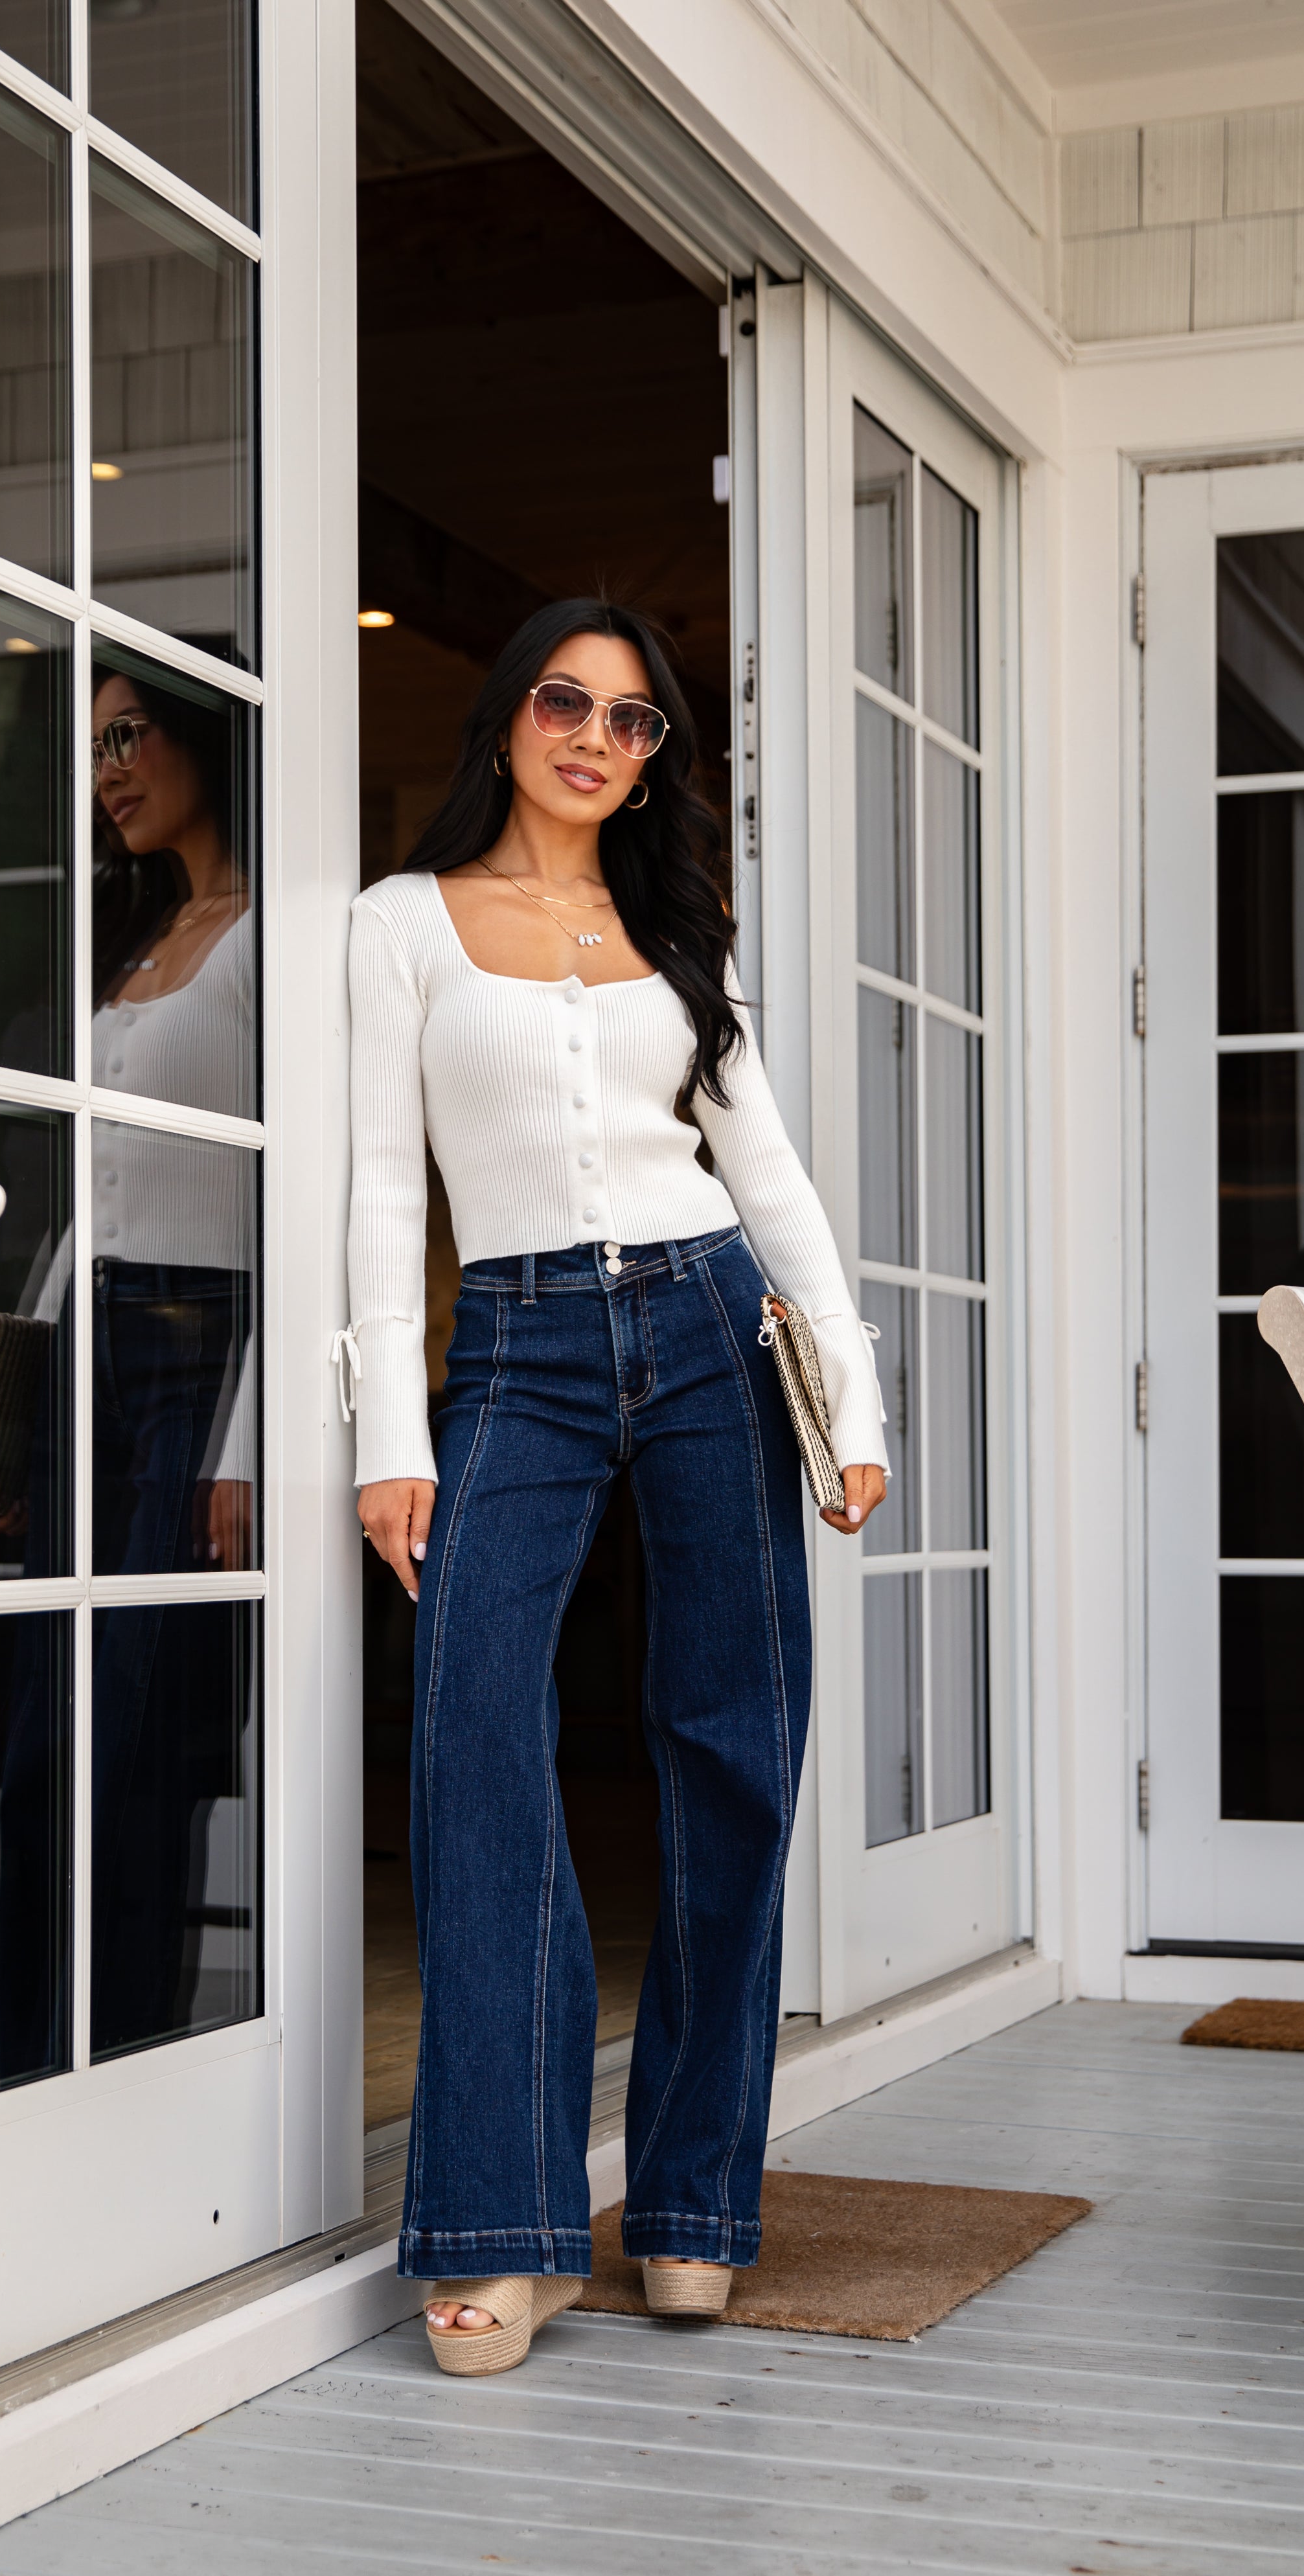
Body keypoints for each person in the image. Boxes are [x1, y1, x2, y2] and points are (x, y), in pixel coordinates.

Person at [345, 598, 888, 2375]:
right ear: (506, 715)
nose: (593, 737)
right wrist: (389, 1438)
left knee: (732, 1742)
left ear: (656, 759)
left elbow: (770, 1168)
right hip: (515, 1347)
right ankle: (500, 2223)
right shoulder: (400, 926)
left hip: (712, 1320)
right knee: (474, 1731)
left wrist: (849, 1399)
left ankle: (688, 2207)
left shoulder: (673, 929)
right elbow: (372, 1190)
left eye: (633, 721)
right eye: (564, 704)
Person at [0, 663, 256, 2067]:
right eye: (93, 745)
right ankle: (35, 2059)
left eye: (127, 733)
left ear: (202, 733)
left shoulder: (271, 940)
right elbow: (84, 1191)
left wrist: (249, 1434)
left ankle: (129, 2055)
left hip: (200, 1345)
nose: (106, 767)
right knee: (45, 1733)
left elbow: (311, 1200)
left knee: (145, 1725)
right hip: (91, 1336)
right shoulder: (141, 933)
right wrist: (16, 1400)